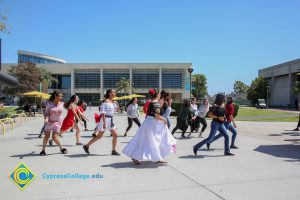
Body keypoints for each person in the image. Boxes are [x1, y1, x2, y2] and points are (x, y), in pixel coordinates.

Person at [122, 89, 176, 165]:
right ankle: (136, 156)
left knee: (149, 141)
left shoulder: (153, 102)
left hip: (150, 123)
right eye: (159, 93)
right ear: (157, 94)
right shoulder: (156, 103)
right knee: (150, 141)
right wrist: (164, 120)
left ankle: (158, 157)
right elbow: (157, 116)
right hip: (152, 124)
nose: (160, 95)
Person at [83, 89, 121, 156]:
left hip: (110, 120)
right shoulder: (105, 101)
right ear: (109, 93)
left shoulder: (113, 102)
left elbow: (118, 111)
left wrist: (117, 104)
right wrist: (104, 122)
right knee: (99, 136)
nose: (115, 93)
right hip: (105, 119)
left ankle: (113, 150)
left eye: (115, 92)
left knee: (115, 135)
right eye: (113, 92)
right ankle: (86, 145)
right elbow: (103, 112)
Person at [40, 91, 67, 156]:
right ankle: (43, 150)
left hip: (58, 122)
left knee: (55, 137)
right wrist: (46, 118)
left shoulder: (62, 103)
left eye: (62, 96)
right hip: (49, 121)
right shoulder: (49, 103)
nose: (61, 97)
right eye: (60, 96)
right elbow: (46, 112)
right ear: (55, 96)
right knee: (47, 136)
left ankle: (61, 148)